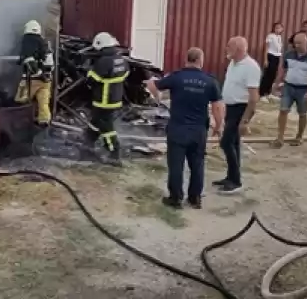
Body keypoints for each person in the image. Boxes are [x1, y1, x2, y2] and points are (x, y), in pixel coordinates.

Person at [147, 47, 224, 209]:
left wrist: (158, 98)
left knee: (176, 165)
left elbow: (152, 84)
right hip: (198, 131)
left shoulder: (176, 77)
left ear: (187, 59)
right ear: (200, 60)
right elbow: (217, 106)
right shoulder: (209, 81)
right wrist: (218, 126)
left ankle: (175, 198)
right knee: (197, 164)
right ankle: (195, 198)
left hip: (177, 129)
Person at [214, 37, 261, 195]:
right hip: (231, 107)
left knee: (226, 143)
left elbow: (254, 97)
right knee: (233, 144)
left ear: (239, 48)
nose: (226, 48)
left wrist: (245, 120)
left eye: (229, 46)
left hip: (241, 108)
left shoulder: (251, 67)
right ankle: (230, 177)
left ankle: (236, 181)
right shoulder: (233, 63)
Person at [271, 32, 307, 148]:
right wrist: (276, 85)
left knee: (302, 113)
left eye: (299, 43)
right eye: (295, 43)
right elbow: (282, 70)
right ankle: (280, 138)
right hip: (288, 86)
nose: (297, 45)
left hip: (303, 89)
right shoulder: (288, 54)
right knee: (283, 110)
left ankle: (299, 137)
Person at [85, 32, 129, 162]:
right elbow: (125, 73)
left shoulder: (104, 61)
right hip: (115, 98)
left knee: (106, 127)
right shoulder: (121, 59)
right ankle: (88, 141)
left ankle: (114, 152)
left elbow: (91, 80)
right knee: (96, 121)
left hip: (103, 99)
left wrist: (88, 71)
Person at [14, 20, 54, 125]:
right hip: (46, 81)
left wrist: (38, 72)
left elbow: (29, 59)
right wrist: (45, 74)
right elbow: (50, 63)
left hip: (31, 79)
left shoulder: (28, 40)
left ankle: (21, 124)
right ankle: (44, 124)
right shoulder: (44, 43)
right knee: (44, 104)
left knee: (21, 100)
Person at [260, 22, 284, 100]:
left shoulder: (279, 37)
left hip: (277, 57)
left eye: (280, 28)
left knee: (273, 75)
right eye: (276, 27)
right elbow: (266, 48)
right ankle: (262, 93)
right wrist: (265, 59)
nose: (278, 29)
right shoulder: (270, 36)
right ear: (273, 28)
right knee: (267, 75)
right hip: (270, 56)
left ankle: (268, 92)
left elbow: (279, 50)